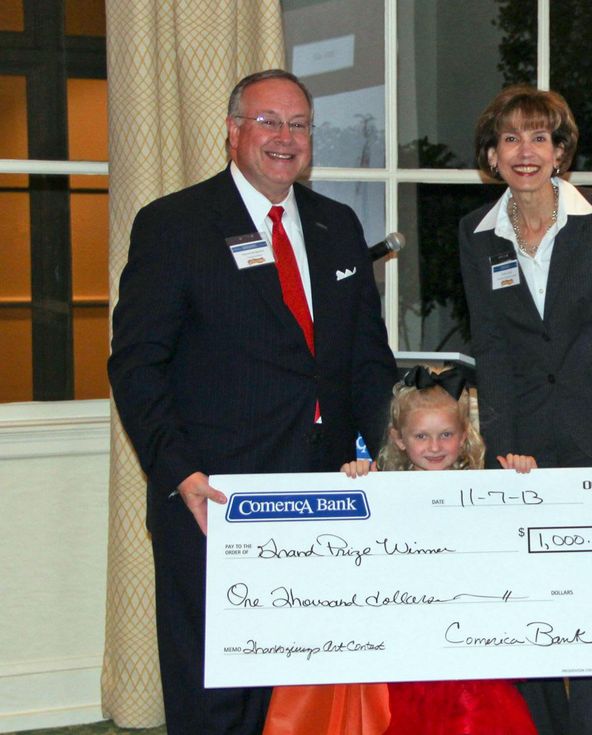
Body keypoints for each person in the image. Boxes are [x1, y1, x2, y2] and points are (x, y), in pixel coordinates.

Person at [108, 69, 398, 735]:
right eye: (269, 121)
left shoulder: (337, 223)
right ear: (234, 131)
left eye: (298, 125)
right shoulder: (174, 224)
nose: (284, 138)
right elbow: (136, 362)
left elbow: (367, 357)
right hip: (215, 499)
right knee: (219, 693)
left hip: (325, 494)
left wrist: (374, 451)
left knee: (305, 688)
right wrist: (178, 471)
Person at [458, 84, 592, 735]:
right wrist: (501, 448)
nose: (525, 151)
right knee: (528, 606)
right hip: (526, 449)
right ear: (492, 153)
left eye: (540, 137)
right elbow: (492, 349)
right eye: (510, 138)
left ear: (561, 150)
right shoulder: (476, 236)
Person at [263, 365, 539, 735]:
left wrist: (525, 477)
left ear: (463, 436)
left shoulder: (487, 488)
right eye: (421, 436)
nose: (435, 446)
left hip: (469, 656)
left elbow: (521, 543)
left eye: (446, 434)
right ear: (399, 439)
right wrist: (355, 479)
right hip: (403, 656)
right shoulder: (380, 492)